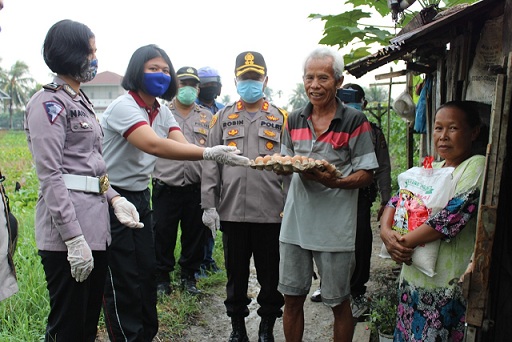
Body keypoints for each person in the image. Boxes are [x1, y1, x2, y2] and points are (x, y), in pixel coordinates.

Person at [100, 44, 250, 342]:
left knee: (146, 270)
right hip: (112, 197)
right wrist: (208, 152)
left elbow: (180, 144)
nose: (160, 74)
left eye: (165, 70)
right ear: (136, 72)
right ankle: (127, 337)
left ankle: (146, 333)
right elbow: (153, 145)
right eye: (153, 68)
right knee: (123, 277)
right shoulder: (125, 107)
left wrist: (210, 152)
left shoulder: (158, 110)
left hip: (141, 196)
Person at [24, 19, 143, 341]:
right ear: (71, 53)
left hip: (96, 228)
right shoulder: (48, 103)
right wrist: (73, 238)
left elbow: (93, 168)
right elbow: (51, 175)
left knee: (88, 322)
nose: (94, 58)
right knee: (68, 326)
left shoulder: (81, 102)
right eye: (90, 51)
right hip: (68, 233)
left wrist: (115, 198)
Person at [277, 47, 378, 342]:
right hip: (295, 225)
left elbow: (367, 173)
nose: (315, 85)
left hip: (335, 229)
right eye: (310, 77)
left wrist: (334, 182)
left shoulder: (354, 121)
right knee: (292, 299)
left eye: (323, 78)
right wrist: (280, 167)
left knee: (338, 301)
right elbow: (285, 161)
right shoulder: (294, 119)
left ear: (338, 82)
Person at [201, 51, 288, 342]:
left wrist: (290, 207)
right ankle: (237, 328)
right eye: (244, 78)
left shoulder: (280, 118)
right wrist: (208, 205)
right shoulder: (223, 118)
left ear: (265, 79)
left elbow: (289, 165)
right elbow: (210, 162)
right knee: (236, 275)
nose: (250, 82)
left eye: (255, 77)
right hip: (233, 211)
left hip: (270, 212)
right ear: (236, 80)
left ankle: (267, 328)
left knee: (270, 275)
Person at [380, 100, 486, 341]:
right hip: (412, 282)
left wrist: (401, 243)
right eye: (438, 128)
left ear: (474, 132)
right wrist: (386, 233)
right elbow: (397, 200)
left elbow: (448, 219)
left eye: (453, 128)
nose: (443, 136)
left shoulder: (475, 166)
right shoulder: (431, 167)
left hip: (445, 288)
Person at [310, 84, 392, 320]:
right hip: (329, 198)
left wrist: (386, 200)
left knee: (360, 243)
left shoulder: (374, 132)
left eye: (354, 102)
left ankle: (356, 291)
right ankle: (327, 285)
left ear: (363, 105)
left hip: (360, 197)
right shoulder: (329, 127)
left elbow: (383, 167)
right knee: (325, 241)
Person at [152, 66, 211, 296]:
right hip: (166, 185)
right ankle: (162, 279)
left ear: (198, 88)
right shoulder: (160, 114)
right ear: (176, 87)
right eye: (183, 83)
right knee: (162, 234)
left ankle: (189, 277)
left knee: (194, 235)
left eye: (192, 84)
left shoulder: (207, 116)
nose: (188, 88)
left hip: (195, 186)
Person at [195, 66, 224, 278]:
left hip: (218, 173)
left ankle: (208, 258)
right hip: (196, 173)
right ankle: (197, 262)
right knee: (198, 222)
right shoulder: (193, 109)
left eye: (213, 84)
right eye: (205, 85)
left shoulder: (222, 110)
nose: (209, 88)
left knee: (212, 219)